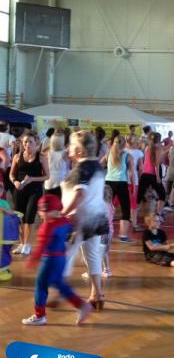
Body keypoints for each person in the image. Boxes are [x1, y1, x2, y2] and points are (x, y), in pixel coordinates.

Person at [22, 194, 93, 326]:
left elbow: (41, 246)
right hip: (61, 258)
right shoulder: (64, 221)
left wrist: (32, 260)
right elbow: (71, 229)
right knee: (59, 284)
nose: (42, 213)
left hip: (50, 260)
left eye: (43, 210)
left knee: (41, 286)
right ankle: (81, 305)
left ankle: (40, 315)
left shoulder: (47, 226)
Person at [61, 131, 110, 311]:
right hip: (97, 218)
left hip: (80, 219)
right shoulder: (96, 166)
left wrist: (63, 213)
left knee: (65, 254)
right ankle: (97, 294)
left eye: (71, 145)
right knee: (93, 255)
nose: (68, 148)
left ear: (80, 150)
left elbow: (80, 194)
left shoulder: (82, 168)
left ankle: (60, 293)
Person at [11, 134, 49, 255]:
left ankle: (27, 244)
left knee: (29, 217)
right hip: (19, 190)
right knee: (19, 218)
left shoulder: (41, 157)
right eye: (25, 142)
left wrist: (32, 179)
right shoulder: (17, 156)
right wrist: (15, 181)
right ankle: (22, 243)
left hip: (35, 191)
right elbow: (11, 174)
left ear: (36, 144)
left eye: (30, 142)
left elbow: (47, 176)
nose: (27, 144)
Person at [105, 135, 135, 243]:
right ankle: (123, 236)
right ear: (125, 144)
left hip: (108, 183)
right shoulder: (128, 156)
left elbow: (99, 165)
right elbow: (131, 173)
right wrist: (133, 185)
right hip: (121, 183)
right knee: (125, 209)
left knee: (105, 208)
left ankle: (102, 234)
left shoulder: (108, 153)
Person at [137, 132, 167, 220]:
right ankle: (159, 213)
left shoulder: (147, 148)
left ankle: (132, 214)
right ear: (159, 140)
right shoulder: (158, 149)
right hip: (152, 175)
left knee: (139, 195)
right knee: (162, 194)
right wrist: (158, 177)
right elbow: (156, 164)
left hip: (145, 175)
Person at [125, 135, 144, 230]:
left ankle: (129, 218)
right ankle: (134, 224)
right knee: (133, 202)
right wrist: (140, 178)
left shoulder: (123, 151)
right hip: (133, 179)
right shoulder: (138, 152)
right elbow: (141, 168)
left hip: (123, 178)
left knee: (119, 200)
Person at [44, 133, 69, 198]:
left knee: (48, 202)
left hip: (48, 182)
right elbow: (68, 167)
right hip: (61, 182)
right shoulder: (65, 153)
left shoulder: (47, 153)